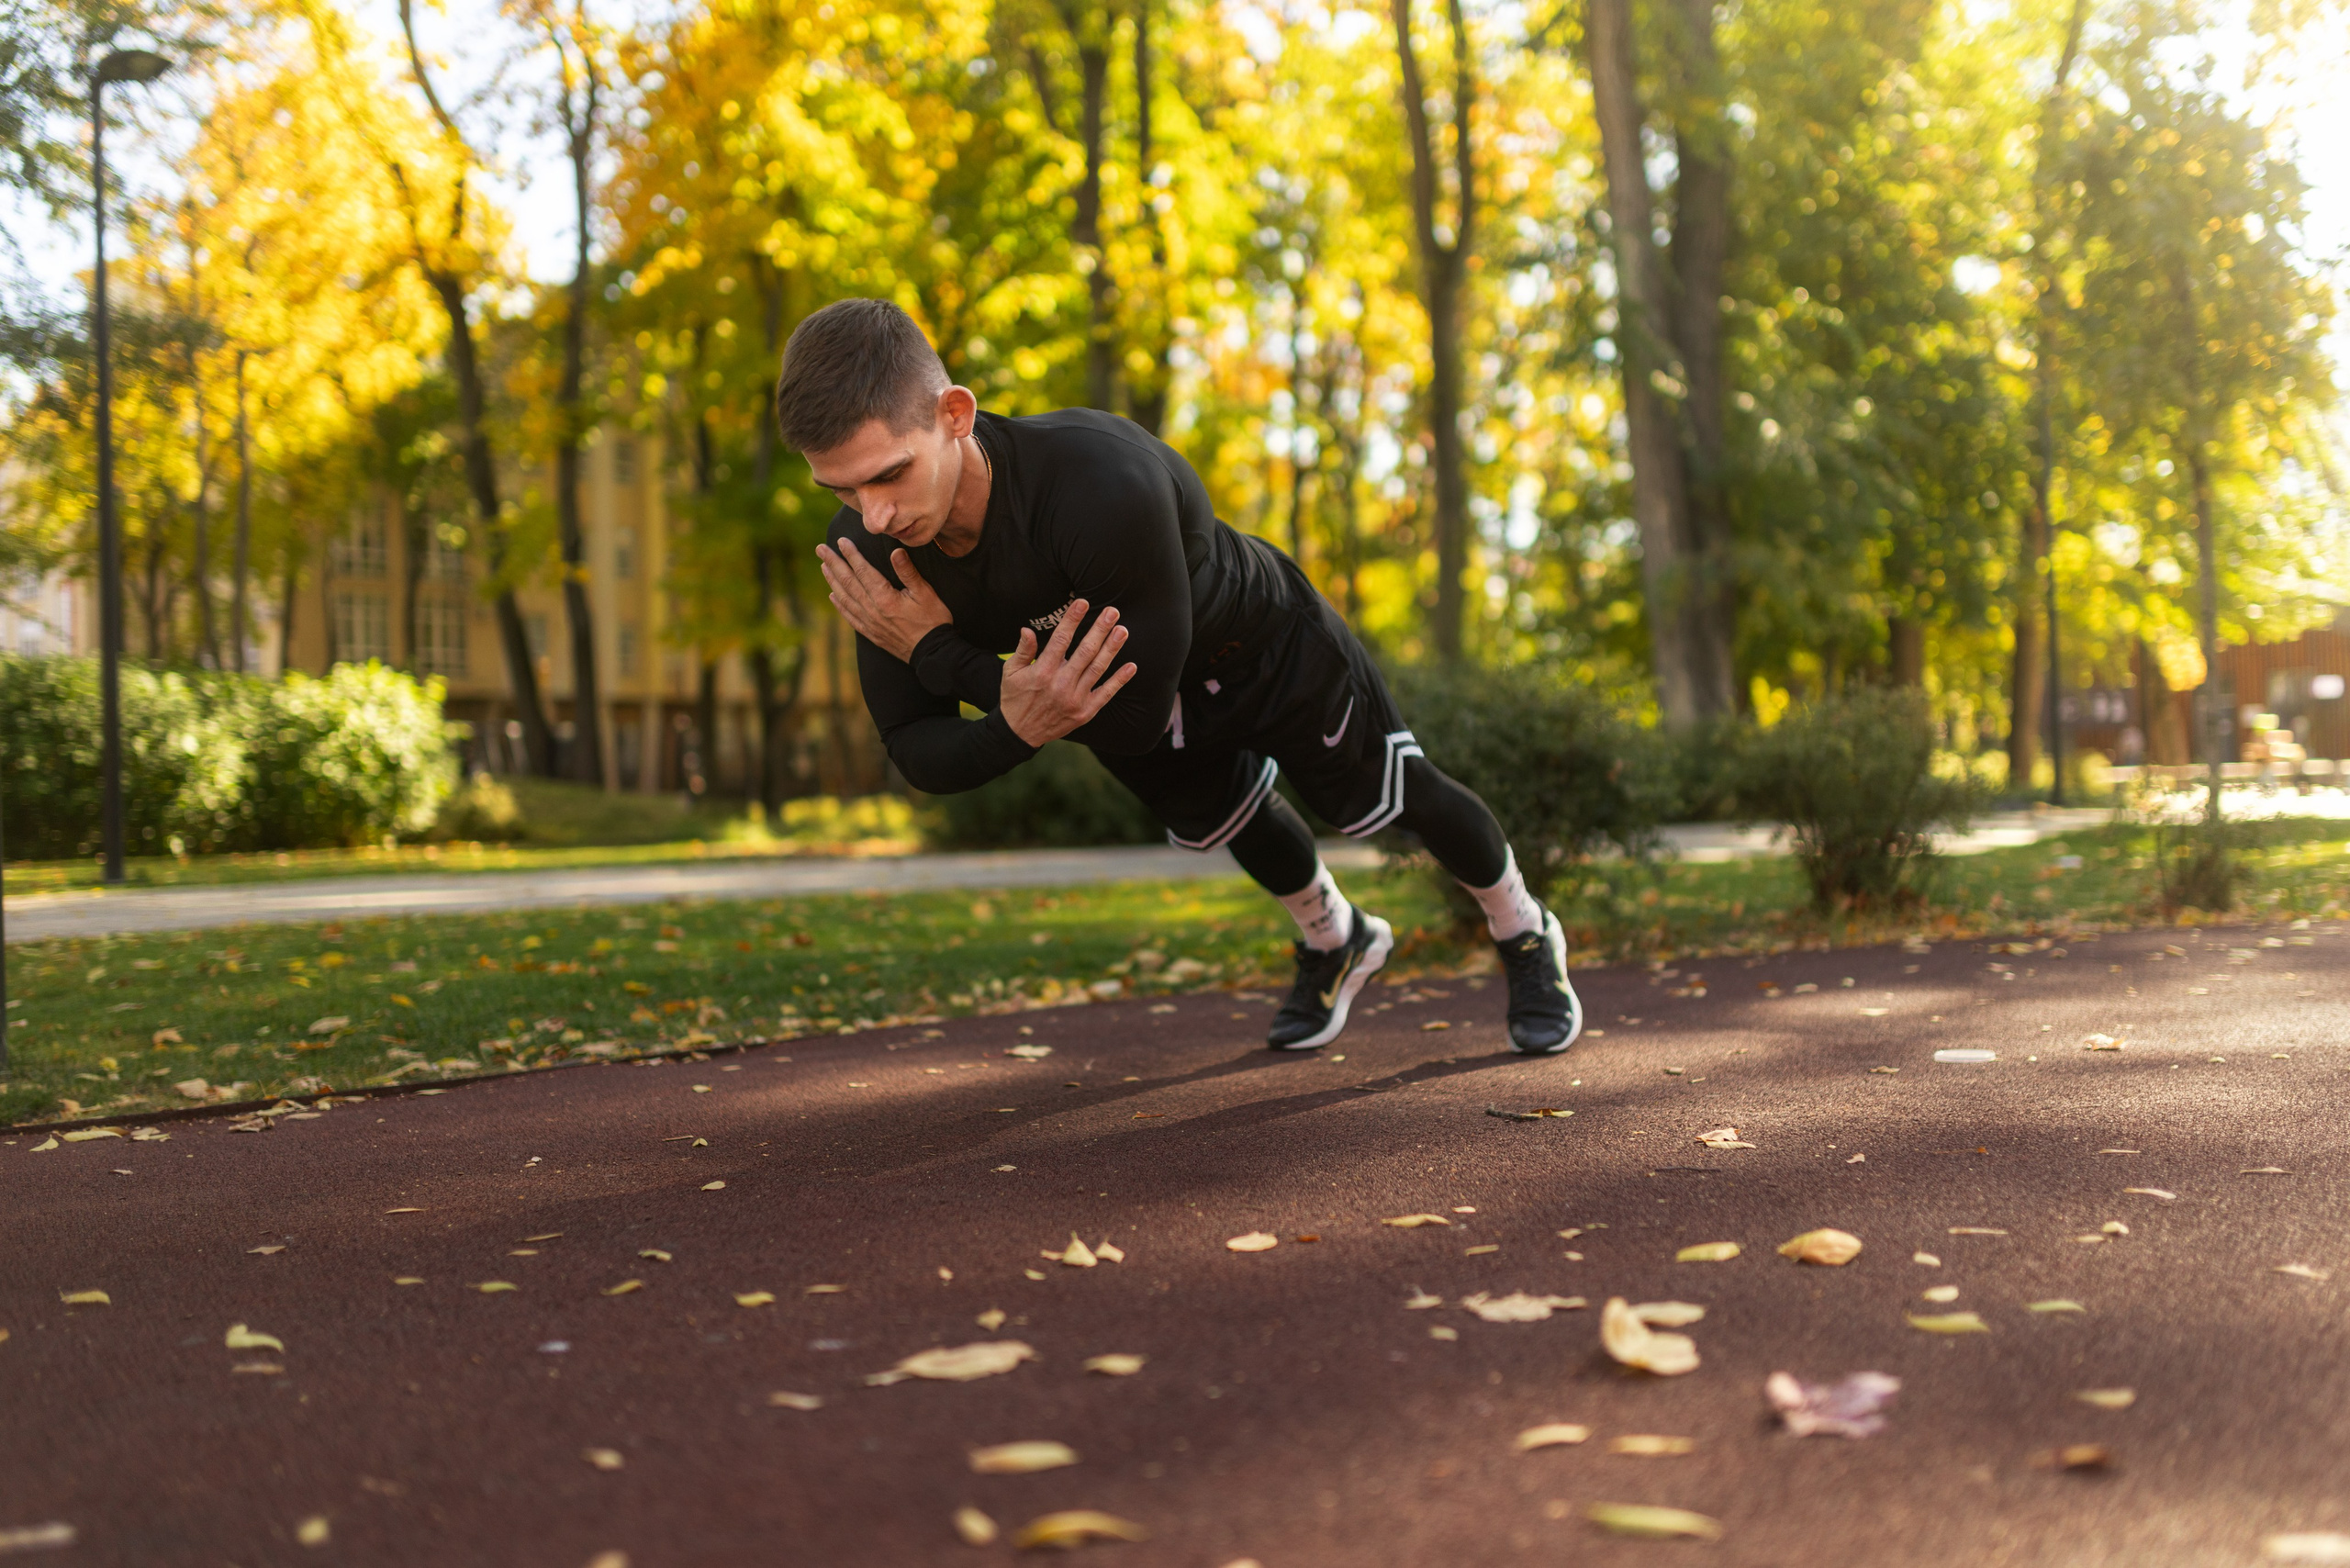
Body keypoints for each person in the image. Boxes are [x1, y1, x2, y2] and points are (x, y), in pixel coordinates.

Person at [780, 298, 1580, 1055]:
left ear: (955, 415)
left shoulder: (1099, 483)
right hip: (1133, 694)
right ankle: (1338, 938)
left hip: (1264, 650)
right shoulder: (871, 554)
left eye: (888, 474)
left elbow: (1124, 723)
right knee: (1228, 818)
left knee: (1389, 801)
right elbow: (918, 752)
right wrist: (1012, 707)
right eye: (841, 489)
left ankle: (1523, 927)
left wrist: (944, 660)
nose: (872, 514)